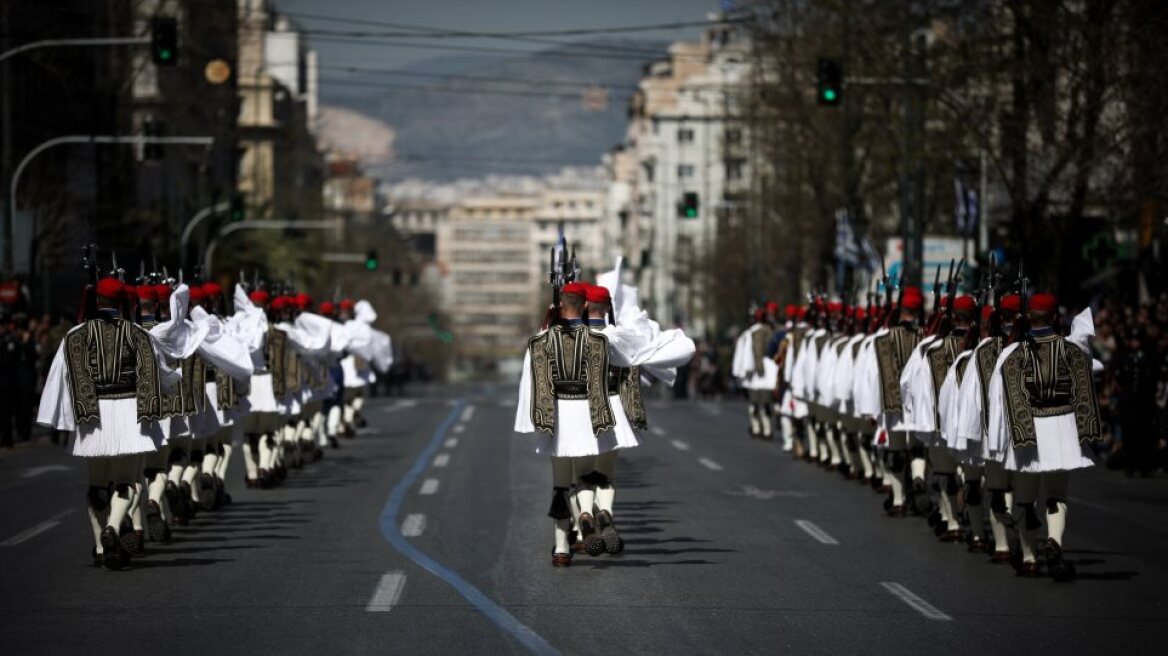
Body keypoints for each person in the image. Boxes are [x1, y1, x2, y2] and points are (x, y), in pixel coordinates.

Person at [986, 293, 1102, 580]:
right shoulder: (1072, 349)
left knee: (1025, 500)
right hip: (1062, 428)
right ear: (1055, 317)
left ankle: (1029, 558)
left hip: (1027, 431)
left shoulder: (1012, 355)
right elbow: (1089, 378)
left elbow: (1001, 402)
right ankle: (1054, 541)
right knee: (1056, 495)